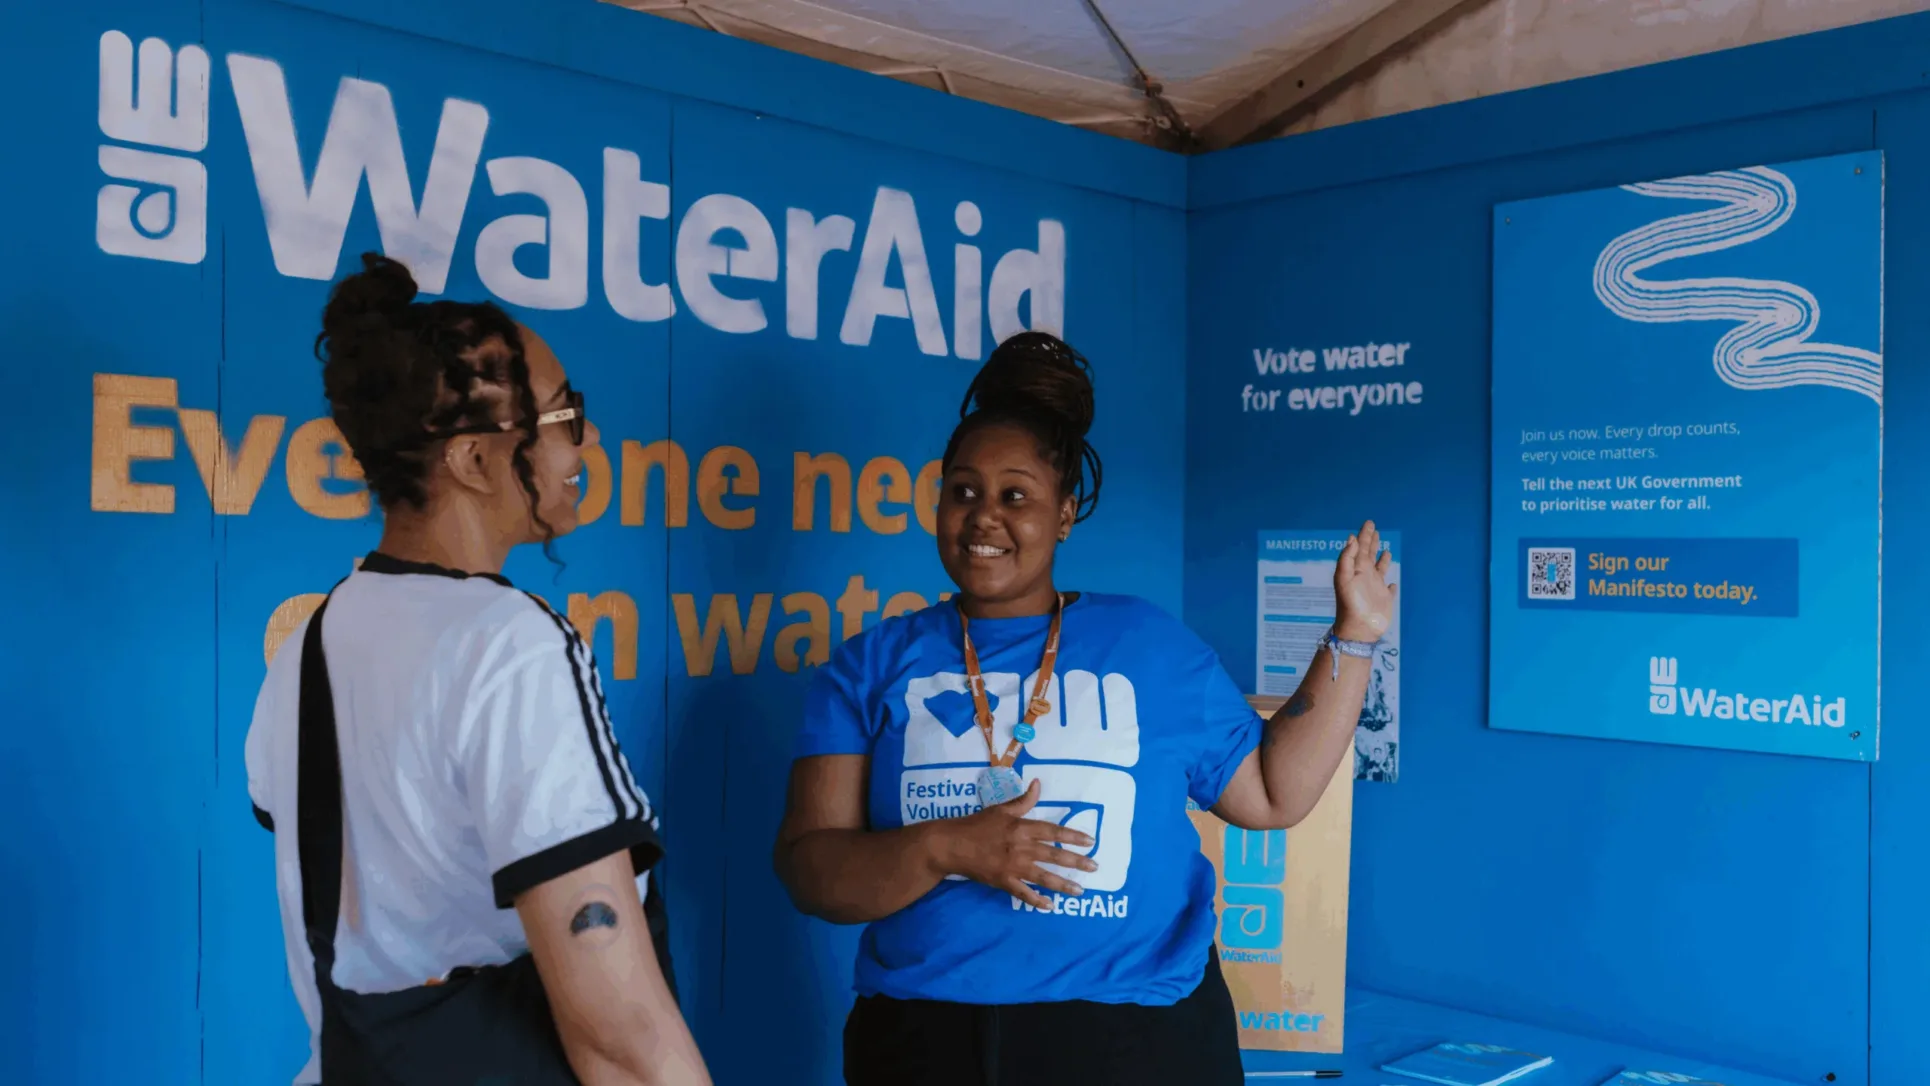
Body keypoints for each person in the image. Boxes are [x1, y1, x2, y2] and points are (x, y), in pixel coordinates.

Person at [772, 331, 1395, 1086]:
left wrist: (1355, 634)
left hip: (1140, 1045)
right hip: (927, 1044)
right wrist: (950, 848)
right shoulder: (870, 664)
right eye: (962, 490)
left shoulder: (1148, 645)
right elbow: (812, 871)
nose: (983, 517)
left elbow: (1273, 791)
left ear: (1064, 514)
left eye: (1016, 496)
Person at [244, 253, 712, 1086]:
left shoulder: (304, 650)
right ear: (473, 462)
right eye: (565, 413)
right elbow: (619, 1033)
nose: (588, 437)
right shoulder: (510, 643)